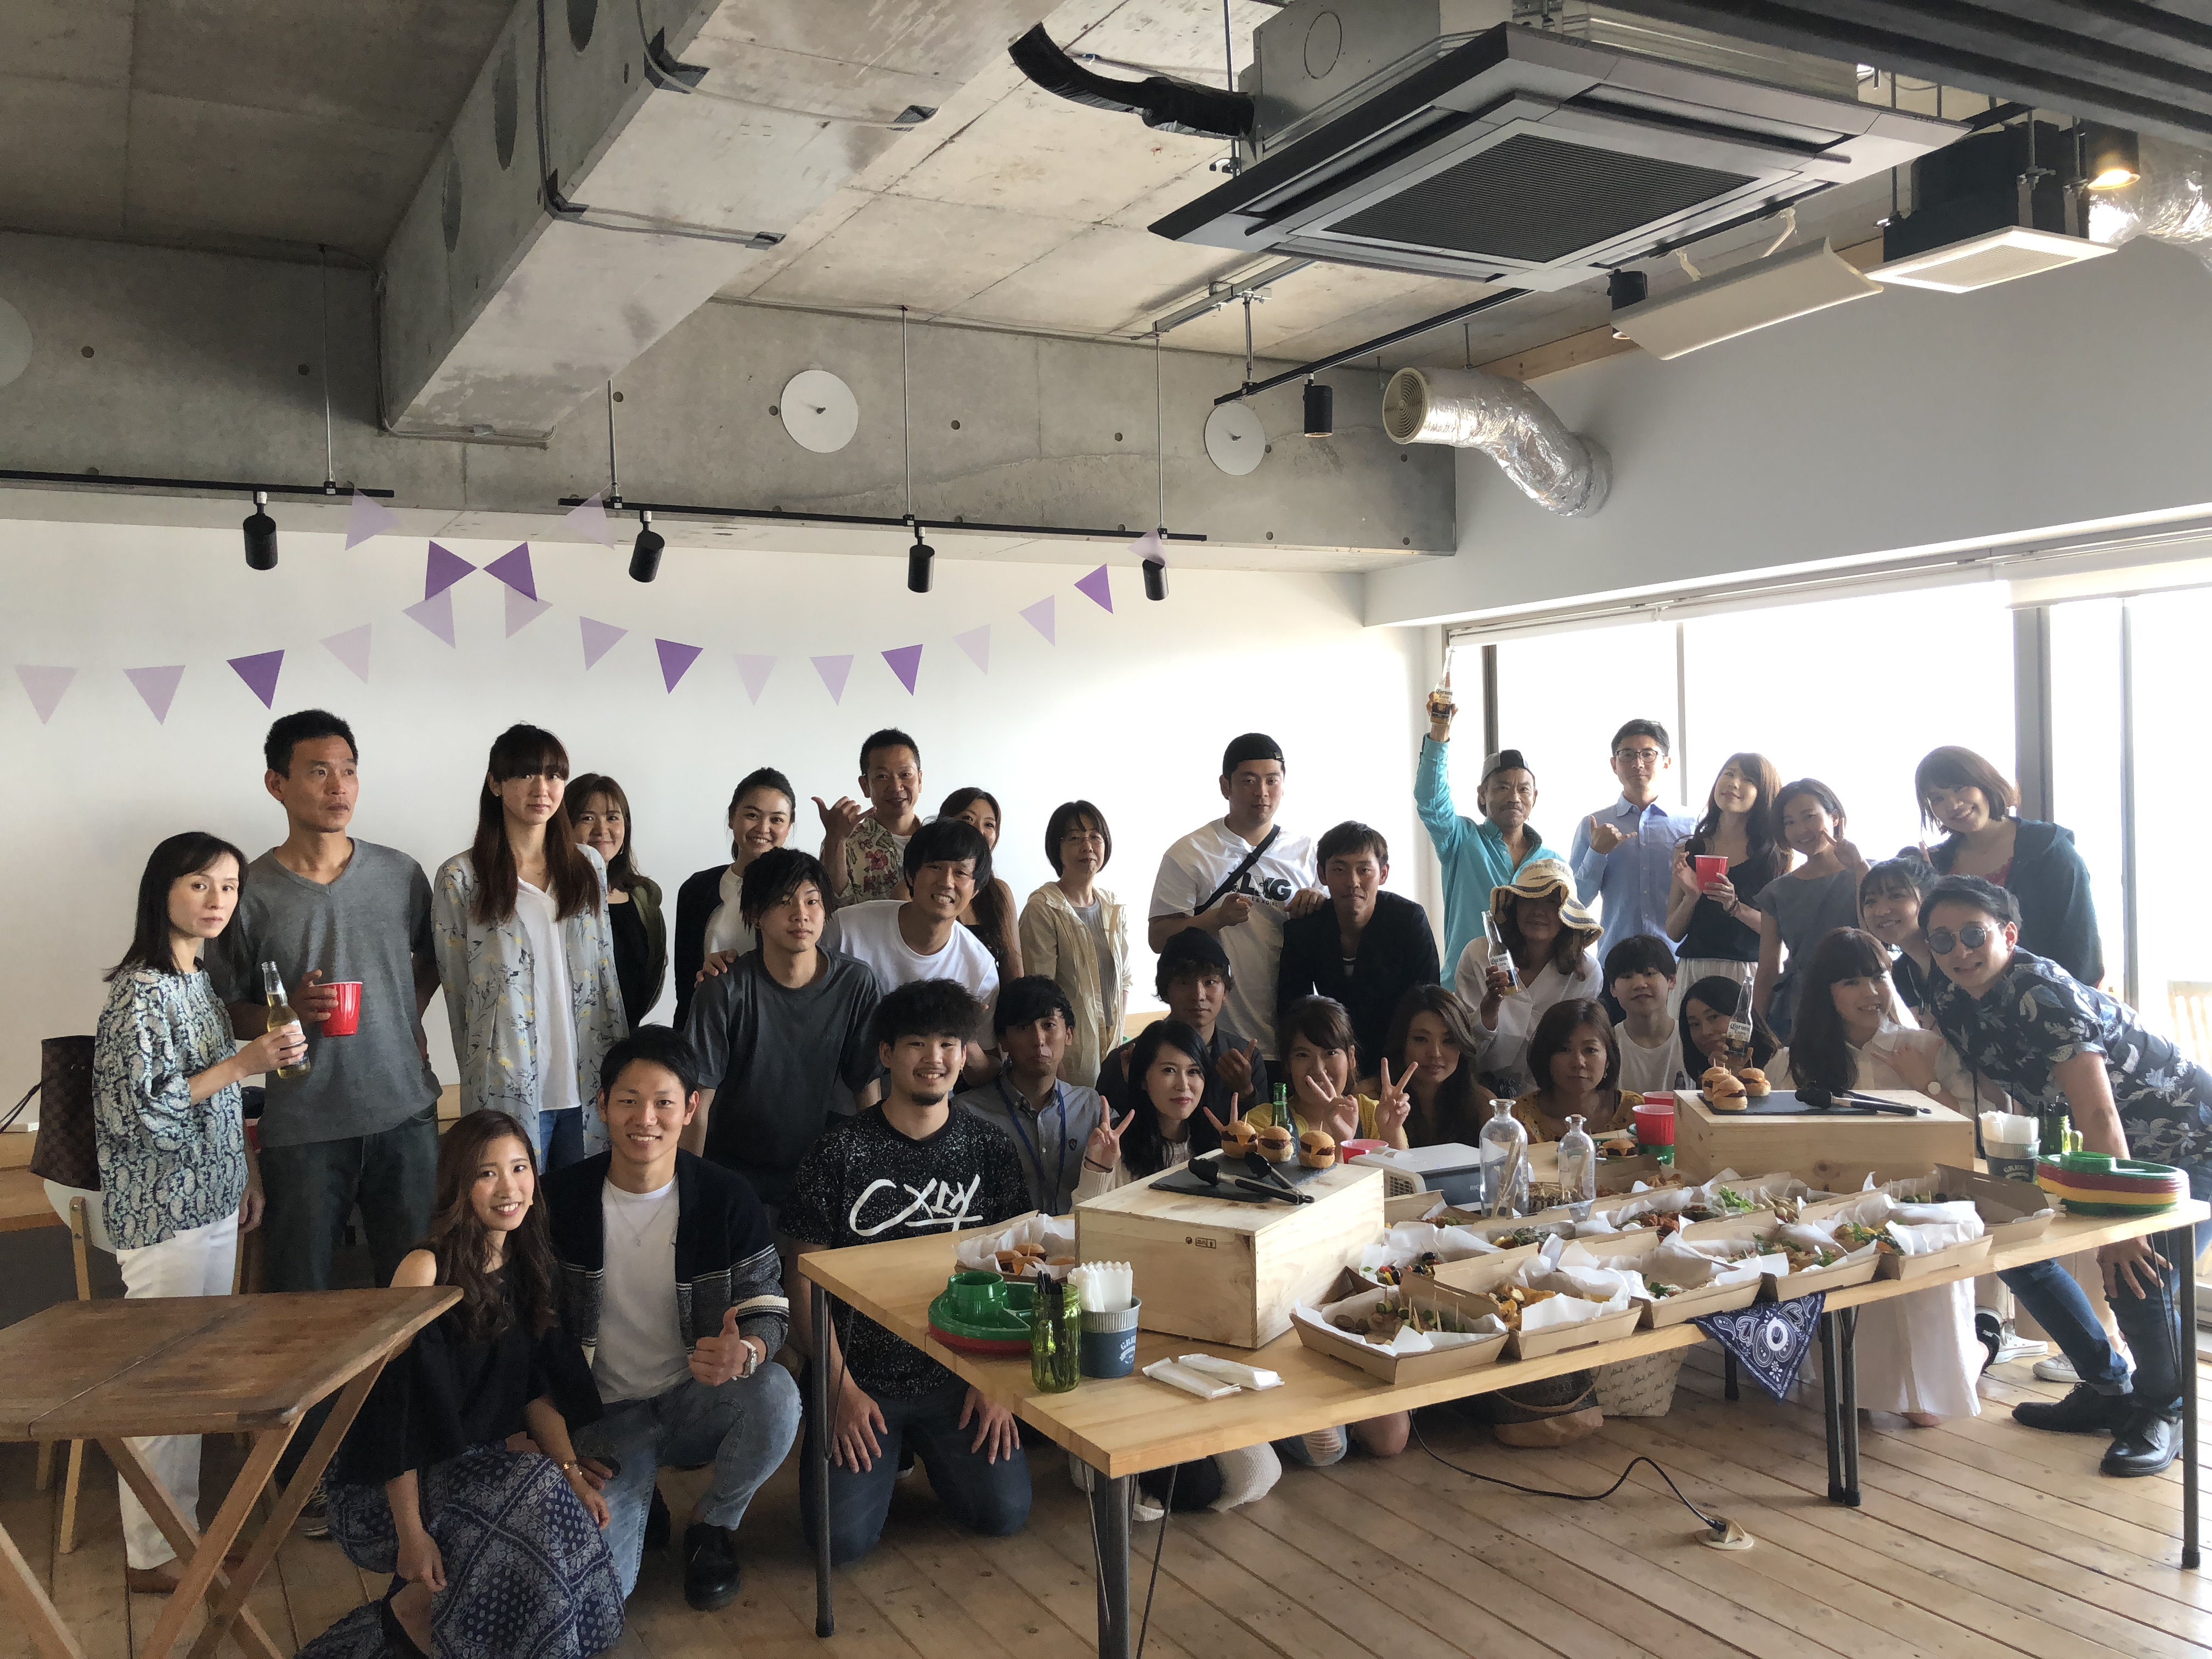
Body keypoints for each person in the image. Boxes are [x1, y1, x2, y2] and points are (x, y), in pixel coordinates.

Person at [206, 709, 443, 1531]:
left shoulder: (401, 874)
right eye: (317, 770)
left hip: (406, 1112)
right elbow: (223, 1007)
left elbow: (432, 957)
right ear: (277, 783)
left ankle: (419, 1459)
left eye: (347, 768)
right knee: (298, 1307)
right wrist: (281, 1014)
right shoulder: (248, 890)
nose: (338, 785)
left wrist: (409, 1018)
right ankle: (306, 1479)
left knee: (415, 1297)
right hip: (304, 1126)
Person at [1921, 876, 2212, 1476]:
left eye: (1973, 934)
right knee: (2017, 1249)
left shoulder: (2043, 993)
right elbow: (2014, 1091)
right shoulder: (1953, 998)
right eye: (1942, 939)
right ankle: (2109, 1391)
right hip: (2103, 1150)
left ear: (2008, 934)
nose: (1959, 951)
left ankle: (2166, 1411)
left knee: (2137, 1274)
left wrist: (2123, 1226)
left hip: (2189, 1147)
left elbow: (2099, 1113)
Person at [303, 1111, 620, 1659]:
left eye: (519, 1168)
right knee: (531, 1487)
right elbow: (393, 1412)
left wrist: (572, 1472)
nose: (509, 1188)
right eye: (486, 1174)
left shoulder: (528, 1258)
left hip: (473, 1467)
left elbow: (535, 1390)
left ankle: (488, 1636)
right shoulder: (425, 1269)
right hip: (385, 1489)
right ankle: (411, 1620)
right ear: (457, 1185)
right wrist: (411, 1533)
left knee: (552, 1494)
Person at [95, 832, 294, 1593]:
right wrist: (247, 1062)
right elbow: (147, 1112)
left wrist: (246, 1171)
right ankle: (153, 1556)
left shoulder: (197, 981)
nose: (218, 901)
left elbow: (219, 1101)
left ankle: (182, 1540)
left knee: (195, 1380)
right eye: (200, 884)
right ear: (164, 892)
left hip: (211, 1199)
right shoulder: (140, 993)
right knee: (167, 1385)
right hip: (163, 1213)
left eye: (230, 886)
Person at [550, 1029, 802, 1606]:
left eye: (664, 1102)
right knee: (599, 1596)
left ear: (690, 1109)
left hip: (695, 1399)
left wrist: (748, 1350)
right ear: (602, 1105)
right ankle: (643, 1498)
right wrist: (559, 1444)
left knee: (776, 1394)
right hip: (602, 1420)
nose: (646, 1119)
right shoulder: (560, 1201)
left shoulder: (725, 1196)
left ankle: (713, 1525)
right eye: (628, 1100)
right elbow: (529, 1330)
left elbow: (768, 1301)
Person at [784, 981, 1034, 1563]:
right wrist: (838, 1391)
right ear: (886, 1053)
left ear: (965, 1054)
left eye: (949, 1044)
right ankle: (888, 1451)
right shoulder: (838, 1152)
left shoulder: (989, 1148)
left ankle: (919, 1449)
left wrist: (997, 1384)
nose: (934, 1058)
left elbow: (1021, 1272)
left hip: (961, 1375)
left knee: (1004, 1513)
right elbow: (803, 1279)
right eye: (917, 1043)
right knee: (839, 1544)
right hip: (861, 1378)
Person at [1788, 928, 1996, 1427]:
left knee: (1928, 1413)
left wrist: (1923, 1083)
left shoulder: (1925, 1047)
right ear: (1825, 993)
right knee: (1852, 1397)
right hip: (1838, 1212)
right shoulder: (1800, 1061)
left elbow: (1979, 1130)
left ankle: (1983, 1343)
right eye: (1852, 982)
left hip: (1925, 1208)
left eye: (1879, 976)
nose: (1871, 992)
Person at [433, 725, 626, 1173]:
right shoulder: (461, 878)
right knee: (515, 1207)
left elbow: (605, 973)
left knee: (584, 1205)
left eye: (554, 775)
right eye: (525, 775)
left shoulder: (588, 866)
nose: (542, 789)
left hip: (587, 1083)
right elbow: (459, 994)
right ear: (496, 784)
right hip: (506, 1085)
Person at [680, 849, 881, 1215]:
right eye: (784, 902)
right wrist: (688, 1191)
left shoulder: (856, 983)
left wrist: (872, 1177)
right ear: (755, 915)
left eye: (812, 901)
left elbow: (866, 1087)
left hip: (817, 1169)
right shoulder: (723, 988)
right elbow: (698, 1102)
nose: (801, 914)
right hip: (731, 1170)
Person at [1148, 733, 1326, 1061]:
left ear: (1284, 784)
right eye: (1249, 780)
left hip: (1290, 1037)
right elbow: (1159, 938)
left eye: (1272, 780)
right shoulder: (1190, 853)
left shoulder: (1308, 854)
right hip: (1210, 1039)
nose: (1262, 792)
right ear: (1225, 786)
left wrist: (1319, 900)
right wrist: (1215, 918)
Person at [823, 819, 1001, 1082]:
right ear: (910, 875)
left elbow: (983, 1075)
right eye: (935, 867)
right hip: (839, 1092)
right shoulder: (846, 928)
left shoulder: (980, 968)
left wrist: (964, 1033)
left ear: (975, 890)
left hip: (929, 1101)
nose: (947, 882)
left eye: (961, 873)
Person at [1916, 746, 2103, 985]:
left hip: (2047, 998)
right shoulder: (1937, 864)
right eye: (1938, 799)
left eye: (1960, 787)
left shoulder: (2049, 851)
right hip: (1966, 1001)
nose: (1953, 804)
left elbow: (2082, 948)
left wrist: (2070, 1002)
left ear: (1984, 783)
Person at [1414, 679, 1558, 972]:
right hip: (1468, 987)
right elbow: (1431, 799)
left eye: (1524, 789)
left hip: (1534, 989)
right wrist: (1440, 731)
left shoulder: (1551, 863)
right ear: (1483, 794)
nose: (1514, 797)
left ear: (1535, 798)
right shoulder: (1462, 840)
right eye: (1502, 787)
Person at [1275, 822, 1440, 1077]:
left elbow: (1426, 1002)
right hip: (1334, 1059)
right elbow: (1293, 1010)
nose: (1352, 882)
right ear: (1322, 874)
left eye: (1364, 870)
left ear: (1383, 874)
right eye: (1339, 870)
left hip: (1401, 1059)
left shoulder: (1407, 920)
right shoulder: (1306, 928)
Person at [956, 978, 1106, 1215]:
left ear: (1069, 1034)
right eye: (1023, 1028)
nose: (1038, 1040)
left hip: (1078, 1235)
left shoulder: (1091, 1107)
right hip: (1002, 1239)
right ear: (1003, 1041)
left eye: (1049, 1025)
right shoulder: (966, 1114)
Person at [1457, 859, 1602, 1099]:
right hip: (1476, 1093)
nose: (1538, 911)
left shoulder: (1586, 972)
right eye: (1529, 899)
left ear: (1569, 914)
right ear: (1515, 907)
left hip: (1551, 1097)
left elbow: (1577, 1050)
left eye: (1552, 902)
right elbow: (1463, 1047)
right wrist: (1490, 1008)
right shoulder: (1478, 955)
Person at [1096, 929, 1267, 1127]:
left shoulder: (1245, 1059)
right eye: (1184, 983)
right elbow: (1107, 1128)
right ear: (1165, 992)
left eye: (1210, 982)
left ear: (1226, 990)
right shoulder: (1127, 1060)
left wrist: (1246, 1092)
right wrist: (1132, 1083)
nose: (1199, 995)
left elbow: (1265, 1132)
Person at [1017, 800, 1129, 1090]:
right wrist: (1056, 1065)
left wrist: (1119, 1043)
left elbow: (1125, 980)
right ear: (1057, 849)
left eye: (1095, 836)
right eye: (1075, 838)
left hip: (1113, 1052)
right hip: (1068, 1058)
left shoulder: (1113, 906)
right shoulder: (1043, 908)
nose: (1087, 846)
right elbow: (1040, 995)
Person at [673, 769, 795, 1030]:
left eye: (776, 819)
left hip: (776, 1031)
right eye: (752, 815)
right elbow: (684, 987)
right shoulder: (696, 889)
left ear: (789, 828)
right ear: (732, 818)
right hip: (707, 1030)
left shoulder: (800, 895)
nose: (763, 828)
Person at [1666, 753, 1788, 1013]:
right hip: (1693, 971)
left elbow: (1781, 930)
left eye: (1748, 779)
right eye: (1729, 774)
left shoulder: (1775, 856)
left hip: (1747, 973)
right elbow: (1673, 932)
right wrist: (1692, 897)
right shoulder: (1687, 850)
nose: (1734, 783)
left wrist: (1735, 906)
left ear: (1764, 793)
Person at [1568, 720, 1696, 968]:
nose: (1638, 764)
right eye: (1627, 755)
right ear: (1614, 765)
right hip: (1616, 962)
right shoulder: (1593, 825)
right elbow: (1576, 902)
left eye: (1648, 754)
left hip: (1678, 962)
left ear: (1666, 762)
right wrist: (1597, 852)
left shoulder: (1692, 826)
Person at [1751, 778, 1867, 1042]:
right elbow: (1767, 969)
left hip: (1863, 996)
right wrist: (1755, 1031)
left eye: (1809, 817)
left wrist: (1860, 867)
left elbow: (1877, 937)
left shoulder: (1868, 872)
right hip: (1798, 1008)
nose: (1801, 830)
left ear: (1834, 818)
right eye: (1790, 822)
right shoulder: (1776, 892)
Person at [1073, 1019, 1221, 1194]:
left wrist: (1237, 1158)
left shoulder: (1216, 1142)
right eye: (1169, 1070)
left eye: (1193, 1071)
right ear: (1143, 1079)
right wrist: (1098, 1170)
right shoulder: (1114, 1146)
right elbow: (1083, 1213)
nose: (1183, 1085)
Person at [1245, 996, 1412, 1150]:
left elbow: (1402, 1172)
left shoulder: (1371, 1114)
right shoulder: (1263, 1125)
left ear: (1351, 1057)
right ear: (1288, 1064)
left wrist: (1391, 1132)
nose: (1318, 1069)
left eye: (1330, 1053)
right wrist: (1341, 1141)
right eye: (1303, 1055)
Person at [569, 773, 666, 1028]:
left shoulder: (644, 896)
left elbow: (653, 971)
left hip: (628, 1037)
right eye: (587, 818)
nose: (602, 830)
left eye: (612, 818)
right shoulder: (552, 897)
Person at [1375, 986, 1495, 1148]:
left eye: (1449, 1041)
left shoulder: (1484, 1104)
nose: (1435, 1053)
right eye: (1421, 1039)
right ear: (1401, 1042)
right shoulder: (1369, 1100)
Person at [816, 729, 924, 909]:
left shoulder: (939, 839)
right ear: (865, 786)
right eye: (882, 777)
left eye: (905, 774)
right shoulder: (844, 842)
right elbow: (832, 909)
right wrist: (835, 840)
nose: (896, 787)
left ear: (920, 780)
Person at [1511, 1000, 1644, 1144]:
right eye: (1564, 1050)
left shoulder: (1637, 1112)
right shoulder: (1516, 1119)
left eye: (1590, 1050)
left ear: (1608, 1059)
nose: (1579, 1062)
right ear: (1545, 1057)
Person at [939, 787, 1025, 979]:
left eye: (989, 825)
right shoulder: (915, 888)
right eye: (968, 819)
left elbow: (1015, 973)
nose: (979, 831)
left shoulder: (1000, 892)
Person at [1860, 857, 1939, 1026]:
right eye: (1871, 901)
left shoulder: (1958, 954)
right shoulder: (1901, 973)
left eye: (1896, 896)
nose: (1881, 911)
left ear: (1928, 899)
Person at [1677, 975, 1790, 1088]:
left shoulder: (1782, 1065)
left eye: (1714, 1017)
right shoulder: (1705, 1077)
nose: (1706, 1032)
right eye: (1695, 1024)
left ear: (1742, 1018)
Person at [1605, 935, 1684, 1094]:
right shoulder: (1607, 1044)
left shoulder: (1691, 1040)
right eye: (1627, 976)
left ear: (1671, 980)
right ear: (1613, 988)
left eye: (1649, 973)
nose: (1640, 984)